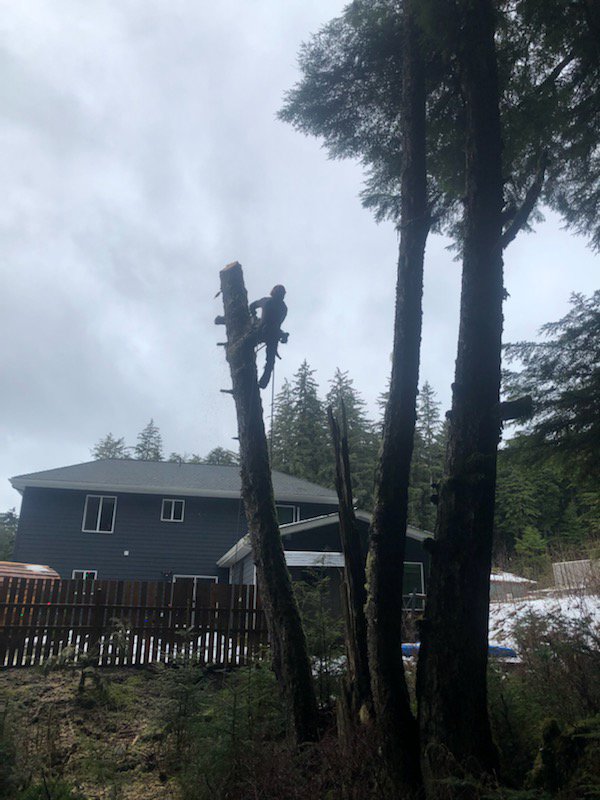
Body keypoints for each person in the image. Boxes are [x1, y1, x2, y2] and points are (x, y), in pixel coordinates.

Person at [249, 285, 288, 389]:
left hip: (262, 331)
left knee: (247, 347)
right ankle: (263, 382)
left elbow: (252, 306)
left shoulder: (266, 301)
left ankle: (262, 381)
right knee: (270, 361)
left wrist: (253, 315)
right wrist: (282, 335)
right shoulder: (283, 308)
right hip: (271, 334)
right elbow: (278, 324)